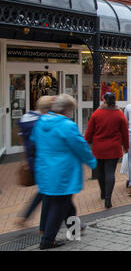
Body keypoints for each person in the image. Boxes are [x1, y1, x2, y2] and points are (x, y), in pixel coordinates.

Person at [30, 94, 97, 250]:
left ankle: (74, 231)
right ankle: (48, 239)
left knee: (65, 203)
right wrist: (92, 162)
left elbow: (34, 142)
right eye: (71, 109)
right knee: (60, 205)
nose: (71, 113)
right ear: (67, 109)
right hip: (63, 172)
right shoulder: (67, 125)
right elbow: (80, 146)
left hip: (45, 170)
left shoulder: (40, 123)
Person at [84, 92, 129, 208]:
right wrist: (126, 146)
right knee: (110, 172)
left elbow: (89, 132)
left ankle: (103, 193)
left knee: (100, 173)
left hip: (99, 148)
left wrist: (86, 142)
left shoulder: (96, 114)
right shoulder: (119, 114)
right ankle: (108, 197)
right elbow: (125, 132)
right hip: (114, 148)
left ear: (104, 100)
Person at [17, 96, 55, 229]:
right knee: (49, 192)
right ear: (46, 109)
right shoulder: (41, 122)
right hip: (43, 161)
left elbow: (23, 141)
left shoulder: (25, 118)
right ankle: (44, 226)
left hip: (31, 159)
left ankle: (27, 217)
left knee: (44, 191)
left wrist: (25, 159)